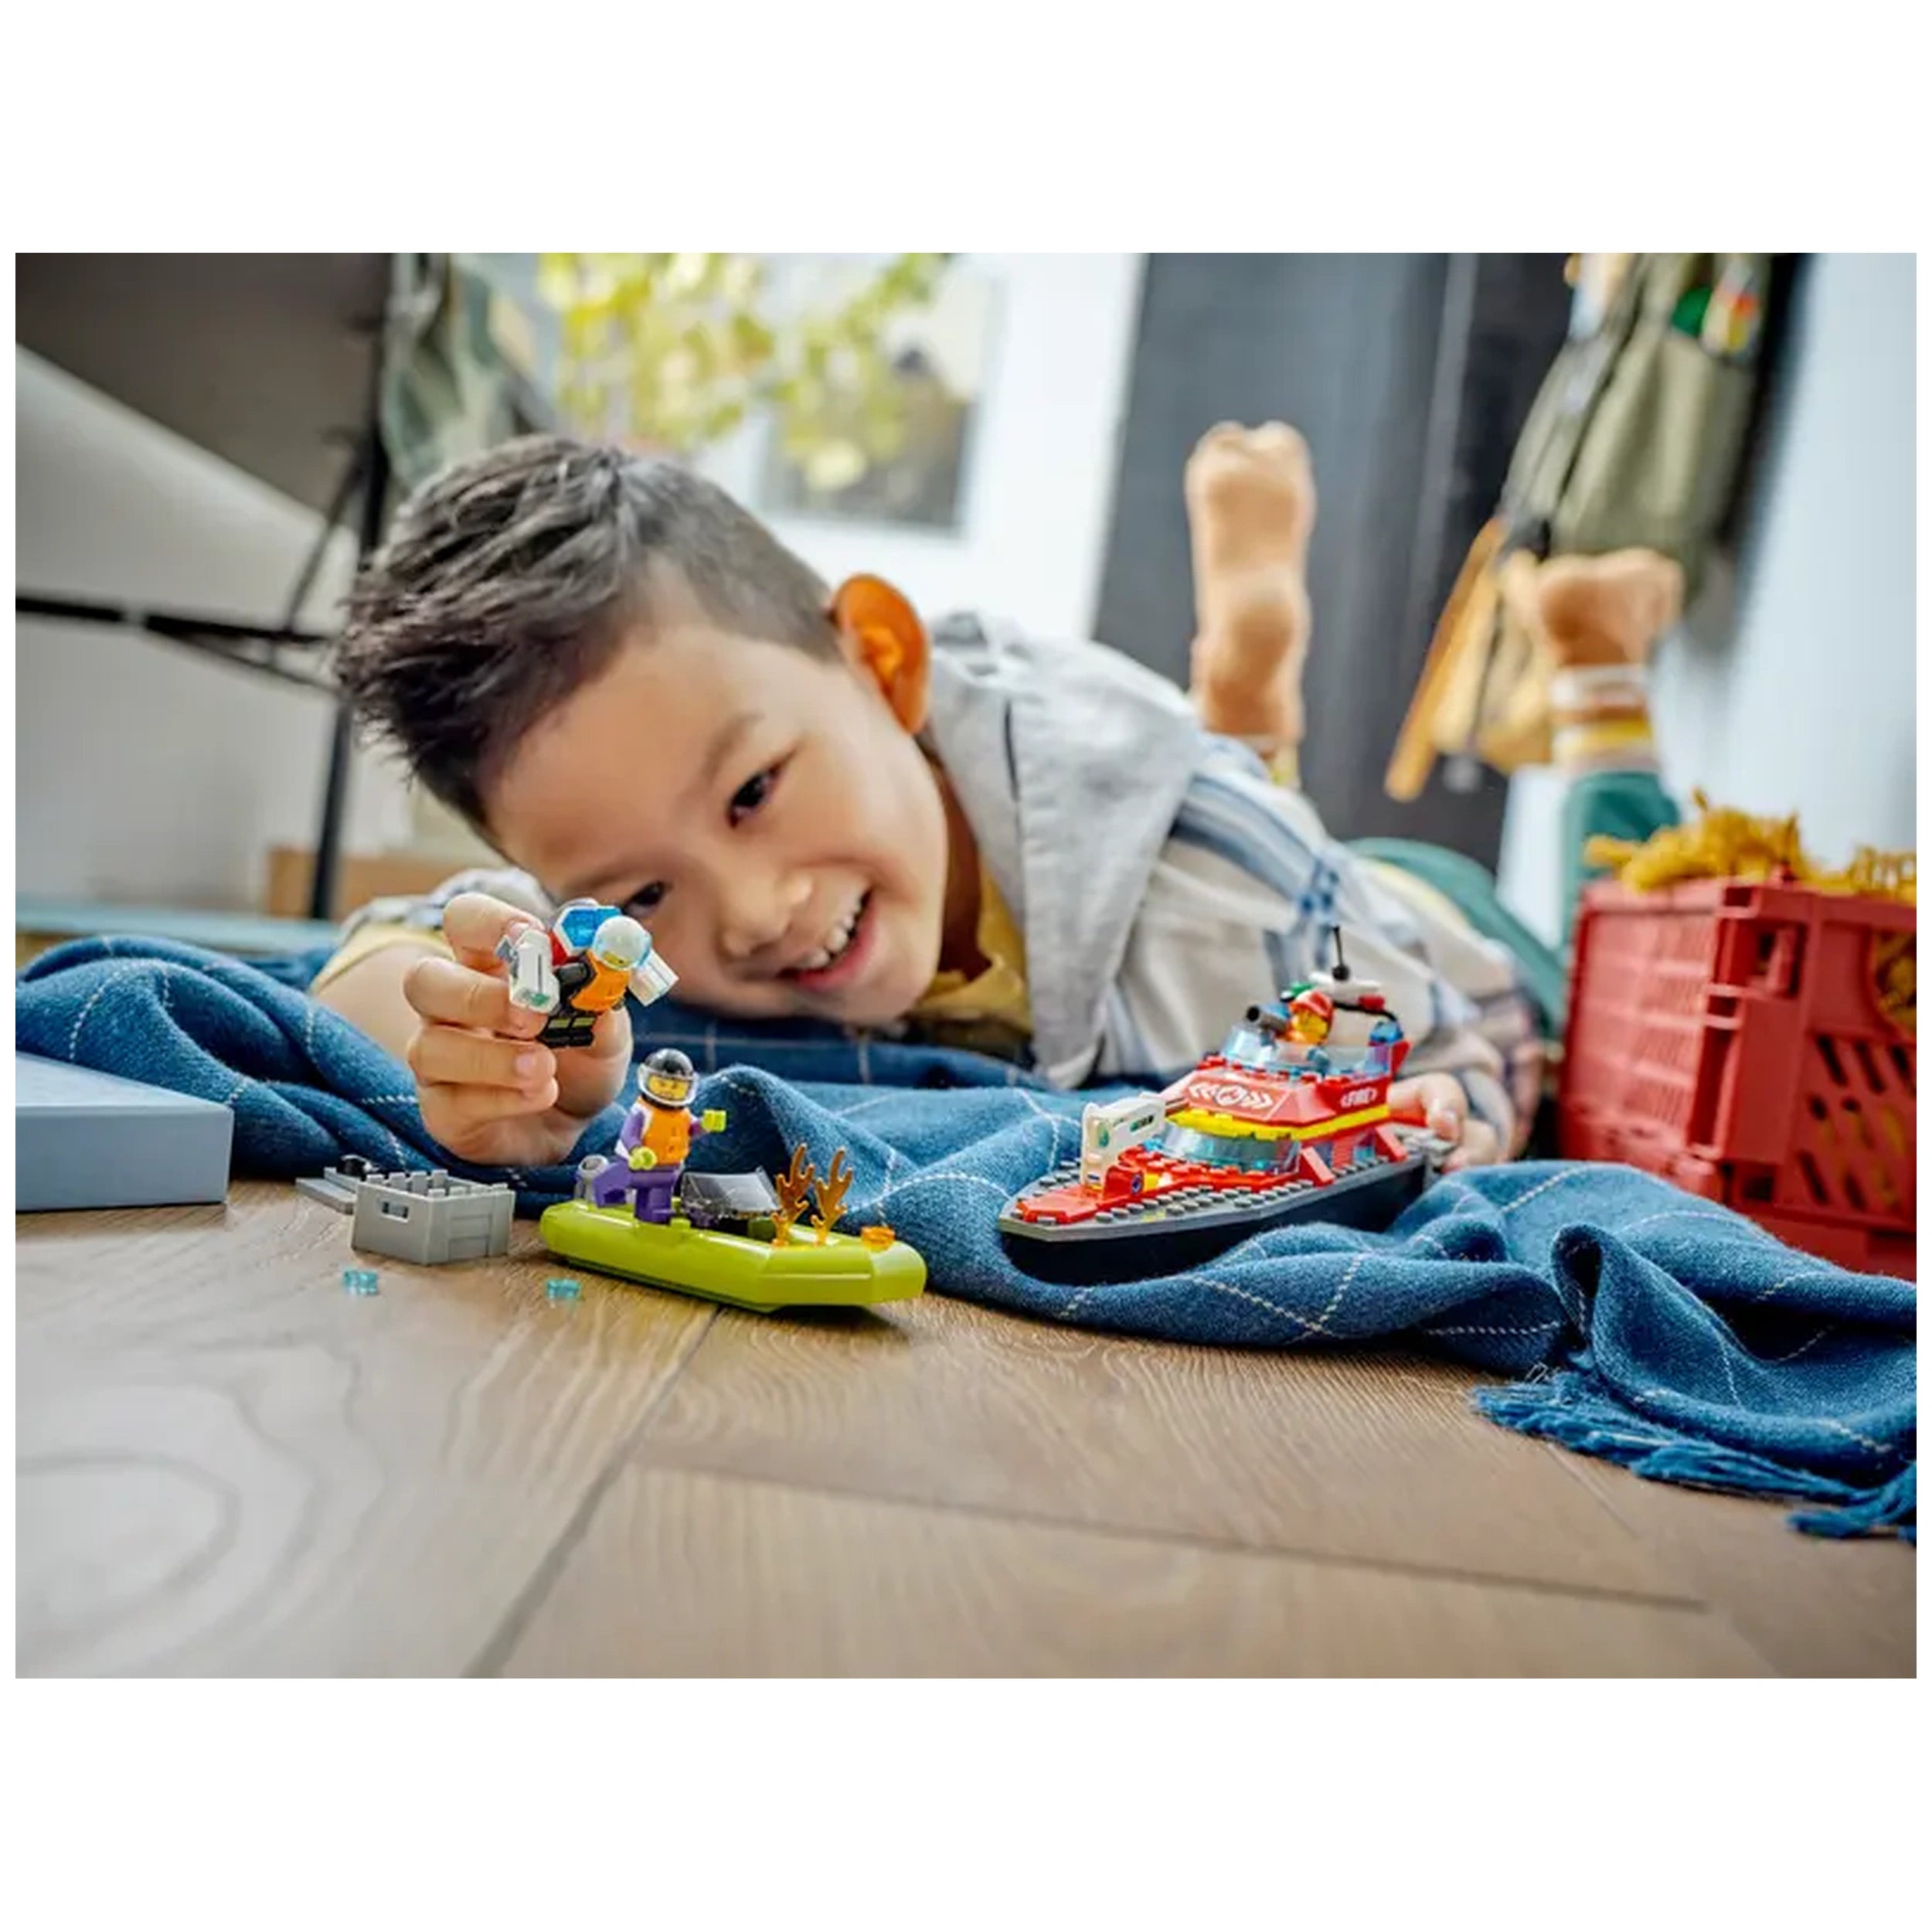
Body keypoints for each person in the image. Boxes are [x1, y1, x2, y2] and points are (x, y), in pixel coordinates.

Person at [315, 428, 1542, 1173]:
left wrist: (1445, 1113)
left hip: (1408, 914)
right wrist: (479, 1053)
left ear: (883, 662)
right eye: (641, 893)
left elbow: (1466, 1045)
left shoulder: (1221, 881)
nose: (750, 914)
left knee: (1316, 844)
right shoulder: (618, 874)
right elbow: (386, 965)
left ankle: (1245, 692)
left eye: (753, 792)